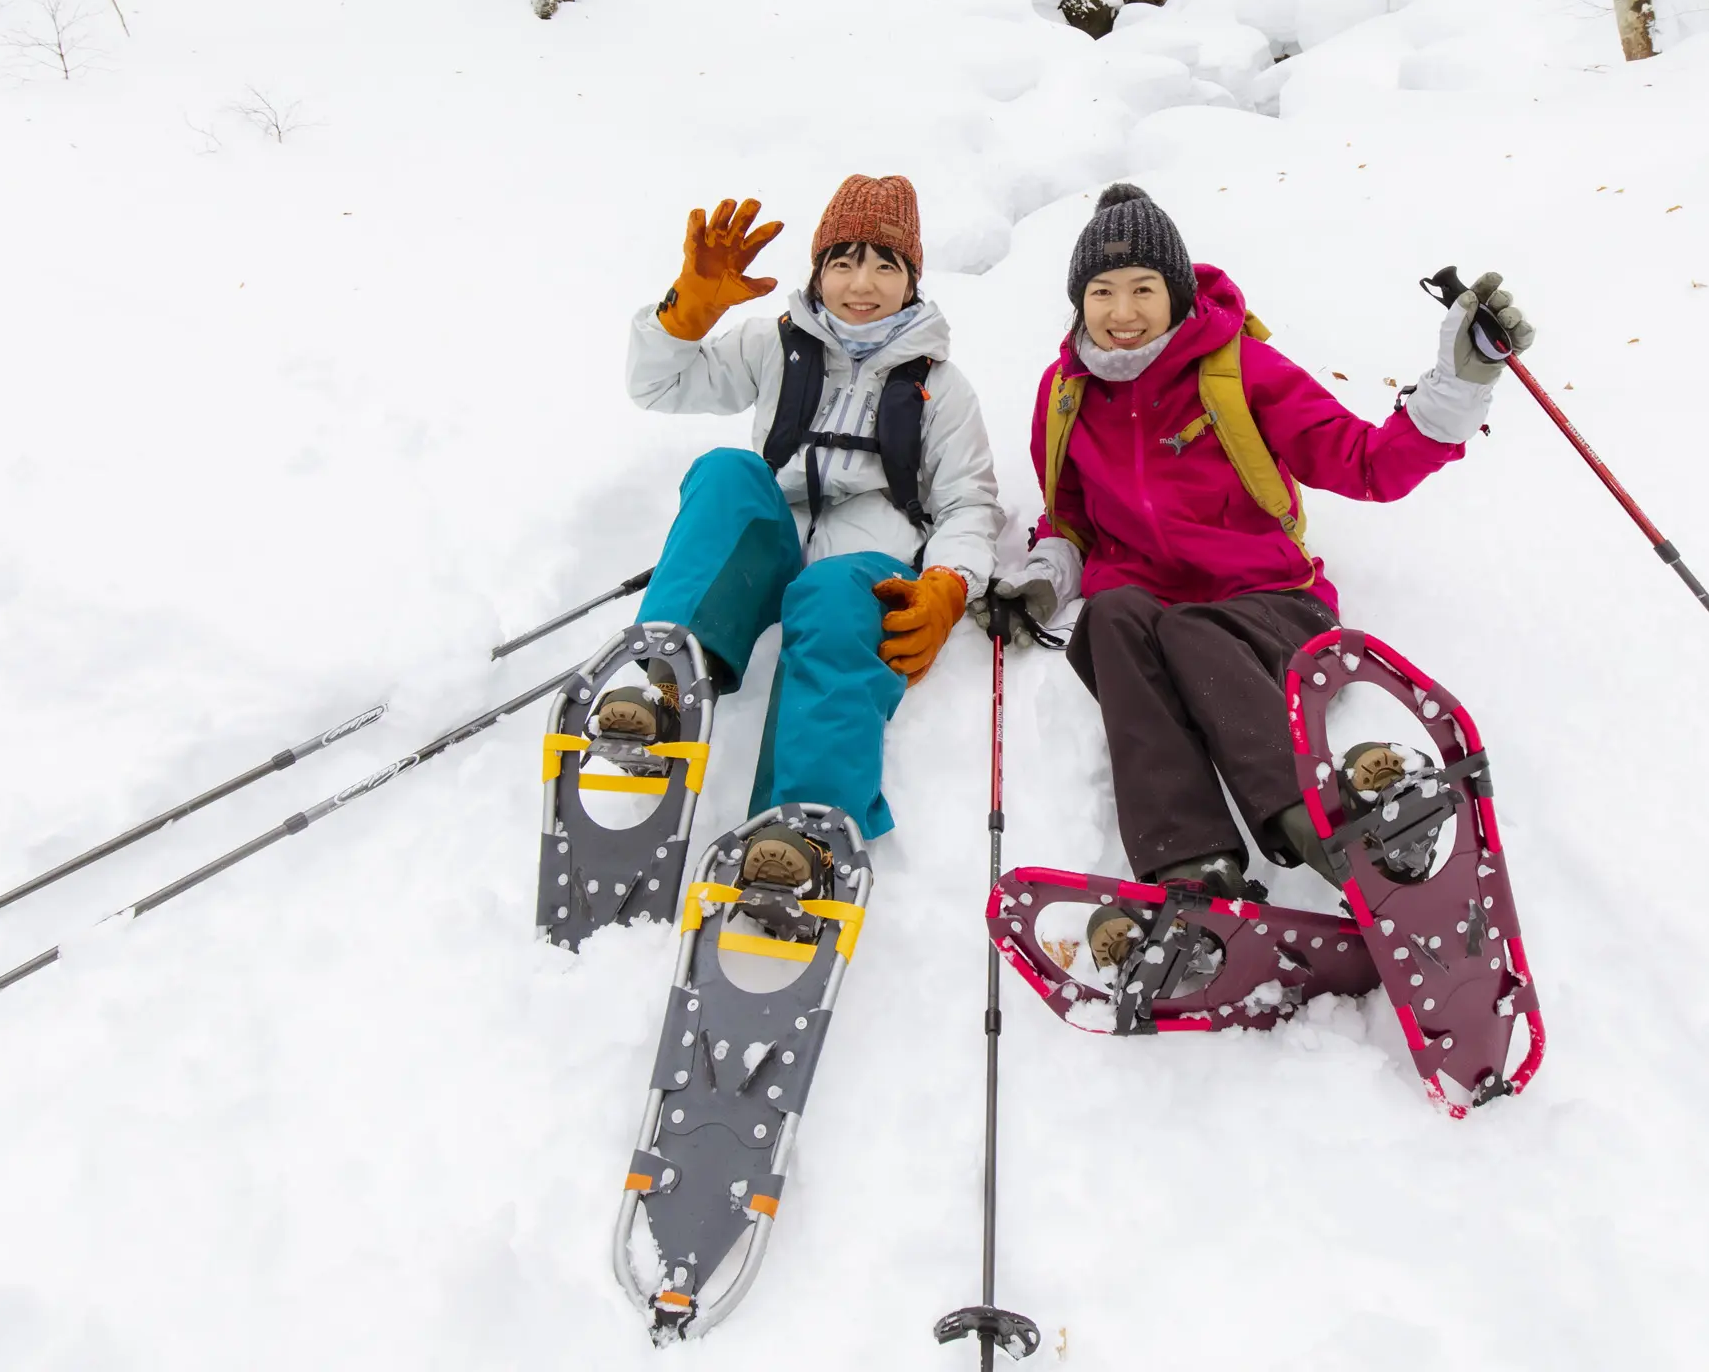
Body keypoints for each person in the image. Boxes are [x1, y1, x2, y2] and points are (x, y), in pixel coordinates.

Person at [995, 182, 1533, 928]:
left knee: (1190, 629)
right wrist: (1043, 581)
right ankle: (1193, 869)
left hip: (1272, 602)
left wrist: (1455, 394)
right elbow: (1071, 521)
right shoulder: (1065, 394)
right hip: (1148, 601)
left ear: (1177, 291)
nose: (1122, 313)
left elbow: (1366, 462)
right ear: (1078, 301)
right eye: (1103, 291)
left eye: (1143, 288)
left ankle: (1326, 825)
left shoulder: (1238, 369)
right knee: (1111, 619)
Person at [619, 177, 1002, 891]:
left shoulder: (942, 389)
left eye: (886, 265)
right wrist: (687, 312)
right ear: (818, 270)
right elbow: (659, 388)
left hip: (860, 559)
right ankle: (667, 678)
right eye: (844, 262)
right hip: (771, 536)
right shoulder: (774, 343)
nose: (863, 284)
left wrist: (950, 584)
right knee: (729, 470)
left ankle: (805, 828)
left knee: (830, 601)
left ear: (912, 279)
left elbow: (970, 504)